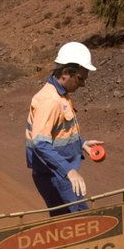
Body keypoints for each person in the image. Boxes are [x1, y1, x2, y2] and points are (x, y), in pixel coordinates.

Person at [25, 41, 104, 216]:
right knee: (75, 222)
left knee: (74, 220)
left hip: (60, 172)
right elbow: (40, 143)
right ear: (66, 73)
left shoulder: (61, 95)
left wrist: (82, 143)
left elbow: (59, 132)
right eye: (80, 79)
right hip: (55, 174)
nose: (83, 84)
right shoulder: (50, 100)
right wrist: (69, 171)